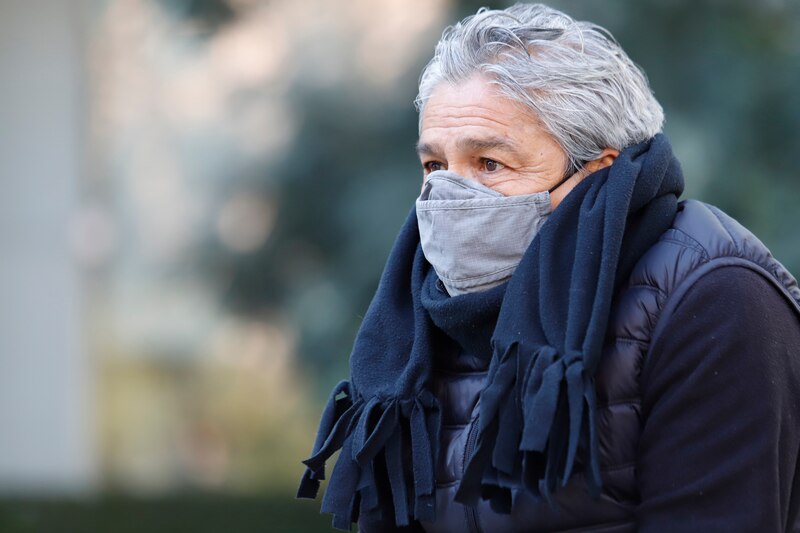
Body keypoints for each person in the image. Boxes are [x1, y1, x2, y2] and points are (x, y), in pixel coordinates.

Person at [298, 4, 800, 532]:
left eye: (489, 163)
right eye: (434, 165)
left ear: (597, 176)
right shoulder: (421, 317)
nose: (445, 195)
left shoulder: (714, 299)